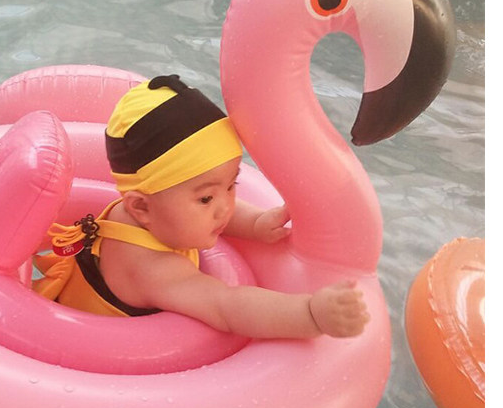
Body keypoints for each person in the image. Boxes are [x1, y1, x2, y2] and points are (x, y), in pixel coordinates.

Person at [34, 75, 369, 338]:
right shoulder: (152, 268)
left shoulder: (150, 210)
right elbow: (226, 306)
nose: (225, 208)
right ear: (142, 208)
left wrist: (255, 223)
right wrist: (309, 314)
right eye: (206, 198)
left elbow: (207, 212)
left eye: (232, 185)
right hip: (90, 344)